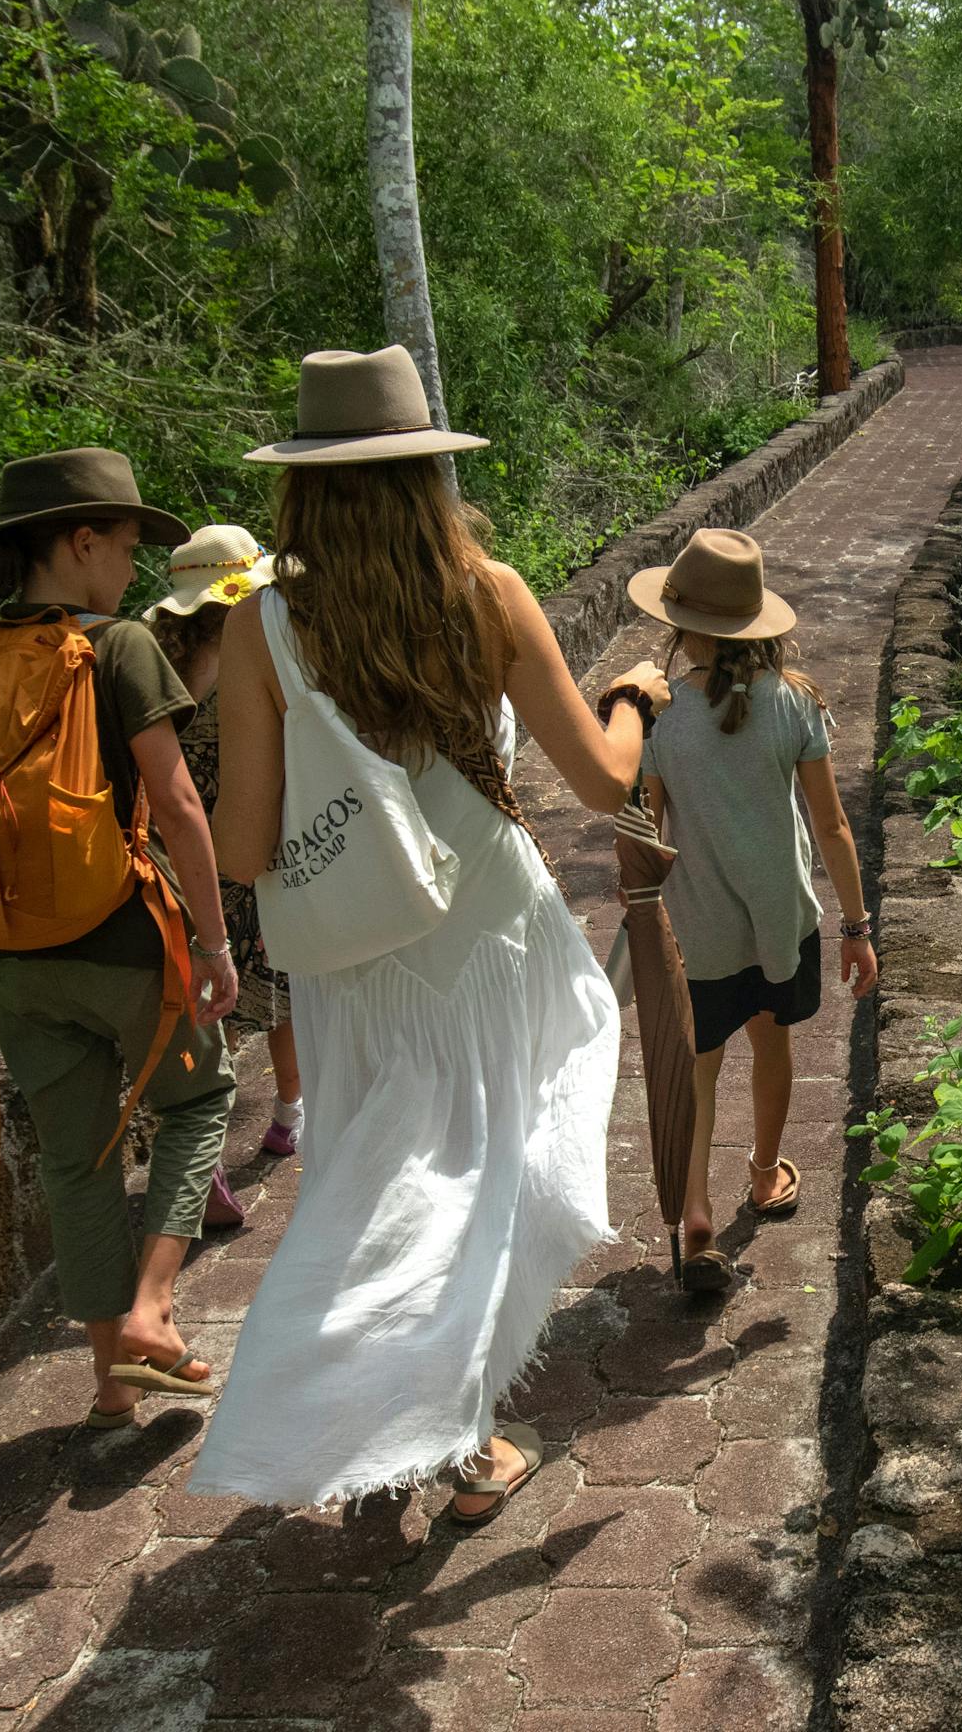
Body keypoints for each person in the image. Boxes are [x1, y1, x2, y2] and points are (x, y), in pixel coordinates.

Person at [187, 346, 671, 1520]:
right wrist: (636, 699)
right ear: (427, 477)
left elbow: (243, 848)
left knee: (377, 1186)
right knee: (485, 1177)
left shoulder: (263, 628)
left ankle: (392, 1424)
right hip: (494, 939)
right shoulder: (488, 594)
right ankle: (448, 1437)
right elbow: (605, 785)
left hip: (354, 959)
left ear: (301, 484)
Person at [0, 448, 240, 1427]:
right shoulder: (118, 648)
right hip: (121, 940)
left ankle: (112, 1384)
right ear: (78, 541)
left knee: (77, 1163)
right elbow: (178, 803)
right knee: (201, 1101)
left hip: (11, 961)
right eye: (122, 546)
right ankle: (152, 1311)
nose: (132, 570)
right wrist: (218, 943)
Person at [625, 528, 878, 1292]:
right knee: (773, 1045)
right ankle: (765, 1175)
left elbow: (650, 830)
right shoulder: (795, 703)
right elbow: (831, 826)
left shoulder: (662, 718)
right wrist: (858, 927)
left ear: (682, 628)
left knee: (699, 1070)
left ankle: (696, 1215)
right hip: (782, 920)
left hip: (697, 928)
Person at [143, 523, 306, 1234]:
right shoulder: (259, 651)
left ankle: (203, 1159)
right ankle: (288, 1116)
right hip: (249, 851)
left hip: (171, 864)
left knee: (206, 1011)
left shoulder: (148, 664)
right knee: (279, 991)